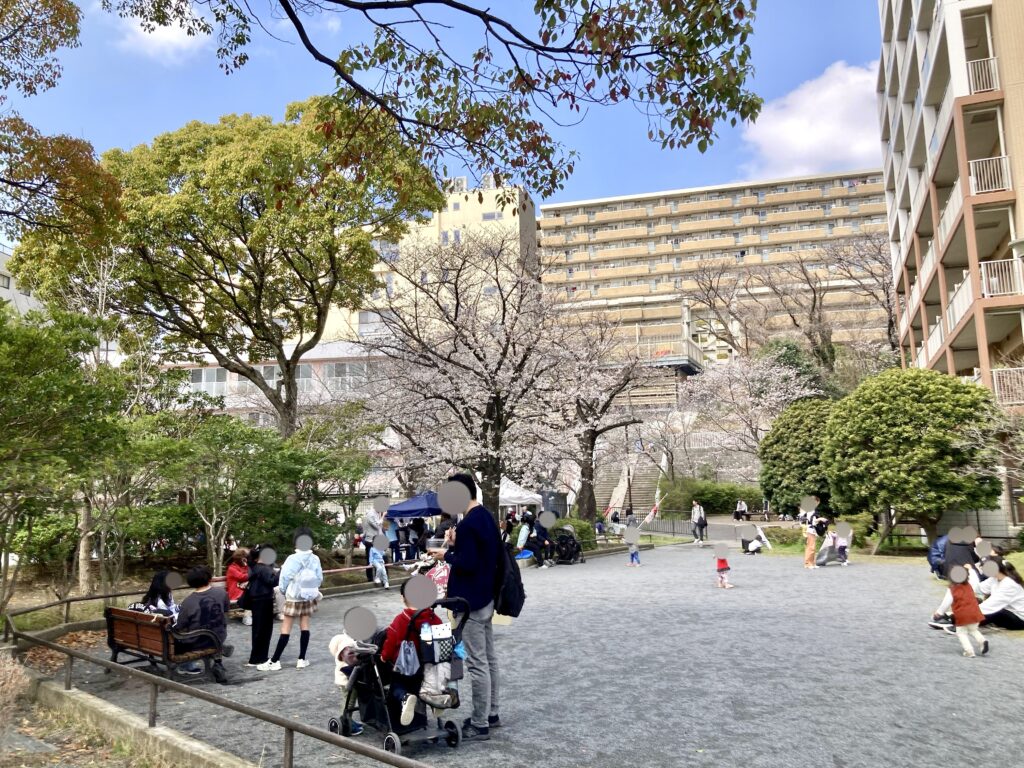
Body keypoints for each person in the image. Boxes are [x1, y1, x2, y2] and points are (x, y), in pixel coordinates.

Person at [426, 473, 501, 742]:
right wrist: (457, 546)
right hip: (486, 598)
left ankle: (479, 722)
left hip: (470, 601)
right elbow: (479, 556)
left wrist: (446, 553)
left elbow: (467, 563)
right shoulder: (485, 517)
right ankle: (491, 713)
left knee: (477, 663)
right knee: (489, 659)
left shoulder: (469, 524)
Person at [381, 579, 446, 725]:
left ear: (403, 598)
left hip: (407, 667)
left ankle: (405, 697)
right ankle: (434, 699)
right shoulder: (434, 619)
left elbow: (390, 642)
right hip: (428, 664)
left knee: (396, 686)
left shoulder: (401, 619)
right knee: (424, 685)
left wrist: (384, 657)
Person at [259, 528, 323, 671]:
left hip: (293, 597)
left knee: (286, 628)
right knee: (305, 626)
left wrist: (284, 591)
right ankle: (302, 659)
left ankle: (275, 660)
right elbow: (319, 578)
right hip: (308, 596)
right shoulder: (315, 559)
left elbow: (284, 579)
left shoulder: (292, 559)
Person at [174, 565, 230, 680]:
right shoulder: (221, 593)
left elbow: (180, 626)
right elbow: (225, 612)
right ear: (209, 578)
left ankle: (186, 665)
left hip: (197, 642)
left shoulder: (188, 602)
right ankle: (218, 656)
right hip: (219, 636)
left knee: (175, 637)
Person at [932, 567, 988, 657]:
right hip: (975, 612)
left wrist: (939, 613)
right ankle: (982, 641)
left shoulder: (952, 589)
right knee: (973, 629)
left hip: (962, 614)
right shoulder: (969, 585)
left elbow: (946, 603)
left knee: (961, 633)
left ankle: (969, 651)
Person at [246, 545, 279, 668]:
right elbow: (273, 581)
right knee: (263, 630)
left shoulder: (254, 566)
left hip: (257, 599)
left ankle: (258, 657)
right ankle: (257, 658)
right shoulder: (263, 568)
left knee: (259, 629)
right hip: (263, 599)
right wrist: (282, 571)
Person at [978, 560, 1024, 630]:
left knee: (995, 612)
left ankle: (964, 622)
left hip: (1019, 619)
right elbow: (978, 588)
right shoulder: (994, 579)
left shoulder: (1009, 584)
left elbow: (991, 604)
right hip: (1005, 610)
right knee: (976, 601)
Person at [225, 548, 252, 625]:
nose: (248, 559)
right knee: (251, 594)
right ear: (241, 558)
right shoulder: (232, 568)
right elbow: (242, 577)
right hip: (236, 593)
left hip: (245, 591)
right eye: (247, 558)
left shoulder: (247, 567)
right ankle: (247, 617)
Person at [362, 507, 383, 582]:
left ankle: (378, 576)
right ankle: (370, 578)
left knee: (379, 558)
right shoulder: (370, 514)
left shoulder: (376, 514)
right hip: (370, 540)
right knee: (370, 560)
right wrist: (382, 517)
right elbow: (377, 526)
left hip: (375, 540)